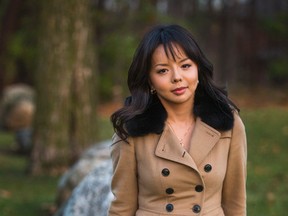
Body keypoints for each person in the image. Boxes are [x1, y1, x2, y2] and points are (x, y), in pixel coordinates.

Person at [108, 24, 247, 216]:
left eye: (185, 66)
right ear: (149, 80)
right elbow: (122, 208)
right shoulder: (132, 130)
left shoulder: (227, 121)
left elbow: (235, 203)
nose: (177, 77)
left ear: (198, 69)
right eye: (163, 71)